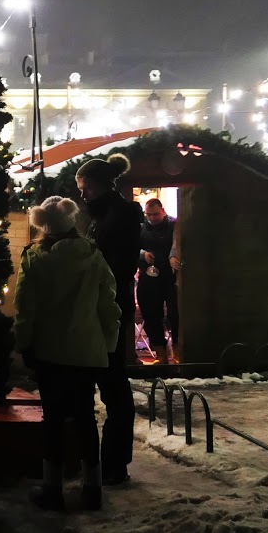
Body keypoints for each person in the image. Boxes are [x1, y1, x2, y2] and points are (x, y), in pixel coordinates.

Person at [13, 197, 120, 512]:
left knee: (54, 420)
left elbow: (24, 308)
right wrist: (108, 344)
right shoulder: (93, 256)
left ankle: (52, 488)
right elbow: (109, 304)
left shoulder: (34, 258)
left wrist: (24, 343)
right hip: (87, 351)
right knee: (86, 417)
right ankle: (93, 488)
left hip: (49, 352)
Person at [74, 153, 142, 487]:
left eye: (86, 188)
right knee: (106, 384)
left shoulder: (120, 215)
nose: (82, 195)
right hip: (98, 306)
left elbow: (120, 266)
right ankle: (103, 462)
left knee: (113, 386)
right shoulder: (100, 215)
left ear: (102, 185)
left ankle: (114, 463)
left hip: (109, 308)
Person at [137, 198, 181, 363]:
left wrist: (173, 256)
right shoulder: (141, 227)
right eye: (149, 214)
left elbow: (177, 244)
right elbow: (133, 247)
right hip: (148, 277)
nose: (152, 218)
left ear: (163, 211)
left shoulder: (174, 225)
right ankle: (160, 353)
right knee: (150, 315)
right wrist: (143, 254)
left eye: (155, 214)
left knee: (175, 314)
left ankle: (177, 351)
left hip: (170, 276)